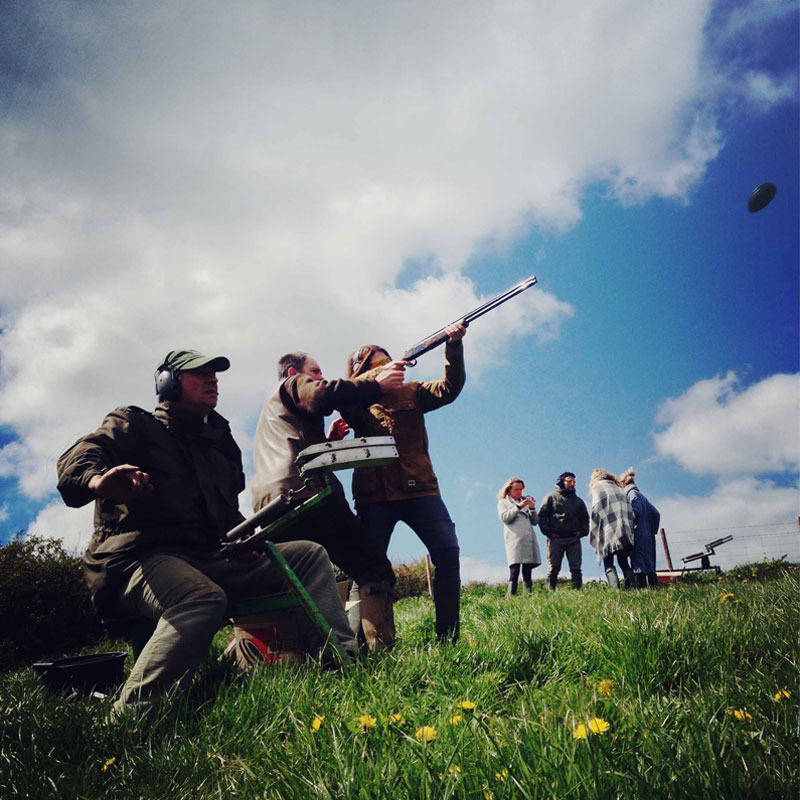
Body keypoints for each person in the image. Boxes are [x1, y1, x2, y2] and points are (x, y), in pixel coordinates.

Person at [57, 349, 357, 718]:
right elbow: (80, 455)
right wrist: (99, 480)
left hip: (206, 559)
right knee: (200, 599)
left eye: (215, 374)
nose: (213, 379)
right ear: (168, 383)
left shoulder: (220, 442)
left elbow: (227, 513)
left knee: (307, 555)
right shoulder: (134, 425)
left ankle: (344, 664)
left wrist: (241, 540)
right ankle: (129, 718)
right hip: (136, 559)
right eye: (200, 373)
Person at [251, 351, 407, 649]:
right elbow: (321, 395)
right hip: (309, 495)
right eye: (316, 371)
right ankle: (381, 657)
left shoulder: (273, 412)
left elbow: (297, 450)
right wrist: (377, 384)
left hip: (272, 505)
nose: (320, 377)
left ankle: (319, 657)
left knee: (303, 583)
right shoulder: (293, 383)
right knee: (374, 569)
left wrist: (329, 443)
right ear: (293, 372)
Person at [342, 322, 466, 642]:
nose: (387, 367)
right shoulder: (355, 400)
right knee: (365, 567)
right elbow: (344, 396)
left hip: (419, 489)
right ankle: (358, 644)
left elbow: (450, 388)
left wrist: (452, 346)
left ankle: (448, 638)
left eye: (389, 361)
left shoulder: (414, 391)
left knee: (448, 553)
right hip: (374, 496)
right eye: (377, 364)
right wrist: (376, 380)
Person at [537, 471, 589, 590]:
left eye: (574, 482)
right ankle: (550, 593)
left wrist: (582, 532)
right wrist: (548, 532)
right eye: (569, 481)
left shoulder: (578, 501)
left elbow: (585, 518)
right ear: (561, 482)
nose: (572, 484)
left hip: (573, 539)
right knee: (553, 568)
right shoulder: (550, 497)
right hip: (556, 539)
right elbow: (542, 516)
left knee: (576, 568)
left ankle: (577, 593)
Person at [587, 468, 635, 589]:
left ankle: (615, 589)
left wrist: (594, 528)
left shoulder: (597, 487)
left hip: (607, 530)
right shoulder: (618, 487)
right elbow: (629, 510)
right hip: (623, 530)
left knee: (608, 563)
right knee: (623, 561)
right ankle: (631, 587)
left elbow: (596, 509)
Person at [496, 477, 541, 595]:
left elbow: (535, 521)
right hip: (514, 540)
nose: (519, 492)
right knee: (514, 570)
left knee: (527, 570)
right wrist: (519, 506)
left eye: (521, 489)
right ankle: (511, 596)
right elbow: (505, 518)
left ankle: (528, 595)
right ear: (509, 490)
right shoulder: (503, 502)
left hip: (528, 539)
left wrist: (531, 508)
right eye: (516, 489)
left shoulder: (525, 501)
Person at [619, 467, 661, 588]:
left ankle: (640, 588)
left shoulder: (631, 494)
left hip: (638, 533)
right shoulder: (642, 495)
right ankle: (654, 586)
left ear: (623, 483)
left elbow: (635, 511)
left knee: (638, 561)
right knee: (649, 562)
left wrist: (630, 526)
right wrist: (652, 529)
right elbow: (656, 513)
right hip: (648, 533)